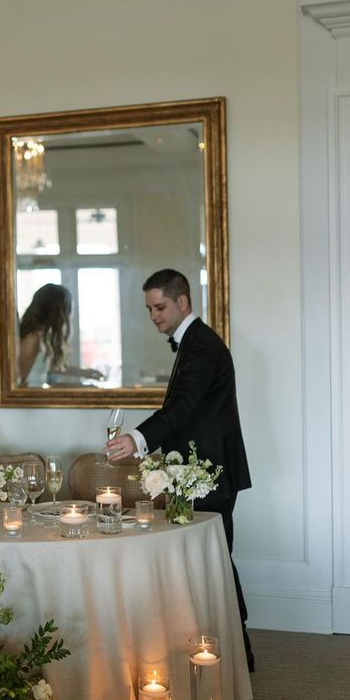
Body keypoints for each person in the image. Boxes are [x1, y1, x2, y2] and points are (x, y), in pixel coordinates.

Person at [105, 268, 254, 671]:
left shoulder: (201, 346)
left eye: (160, 307)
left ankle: (238, 656)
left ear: (182, 302)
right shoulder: (193, 343)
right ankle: (236, 654)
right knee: (215, 559)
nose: (154, 315)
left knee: (216, 561)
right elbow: (189, 413)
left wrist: (137, 440)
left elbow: (183, 408)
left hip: (211, 473)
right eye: (149, 308)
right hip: (203, 470)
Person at [18, 283, 104, 386]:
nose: (69, 314)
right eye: (67, 308)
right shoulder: (32, 338)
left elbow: (51, 368)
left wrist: (84, 373)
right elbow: (19, 383)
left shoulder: (41, 336)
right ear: (57, 310)